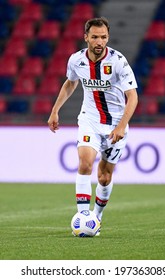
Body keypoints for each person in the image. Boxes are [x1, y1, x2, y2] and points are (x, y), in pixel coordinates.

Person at [48, 17, 138, 235]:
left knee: (104, 177)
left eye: (104, 37)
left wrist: (121, 126)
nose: (100, 42)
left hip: (116, 124)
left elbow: (132, 97)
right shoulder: (76, 60)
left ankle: (96, 217)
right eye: (95, 37)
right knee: (85, 163)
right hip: (90, 119)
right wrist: (55, 110)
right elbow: (70, 83)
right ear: (86, 37)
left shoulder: (118, 61)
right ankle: (82, 216)